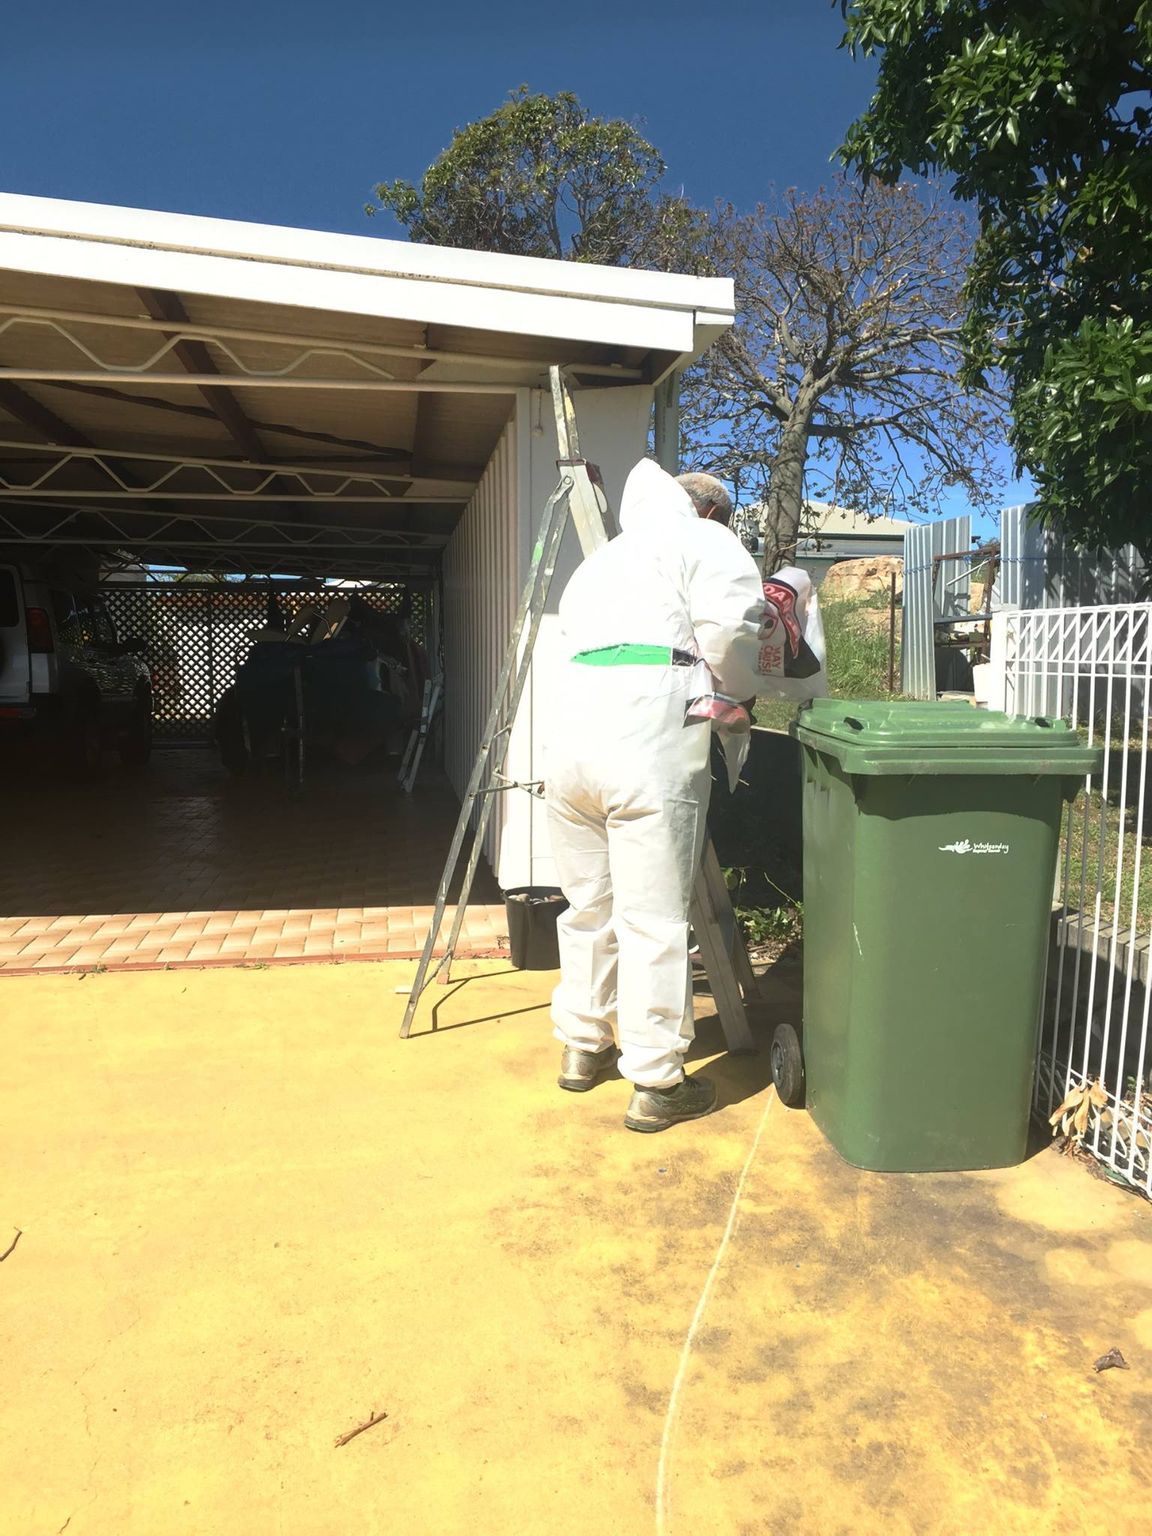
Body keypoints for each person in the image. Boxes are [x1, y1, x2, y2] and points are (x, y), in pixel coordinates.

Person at [545, 458, 764, 1133]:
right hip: (648, 732)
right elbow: (733, 634)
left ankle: (583, 1045)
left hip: (572, 736)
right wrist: (738, 693)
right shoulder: (706, 541)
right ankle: (656, 1080)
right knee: (653, 917)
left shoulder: (603, 561)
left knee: (588, 906)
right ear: (710, 513)